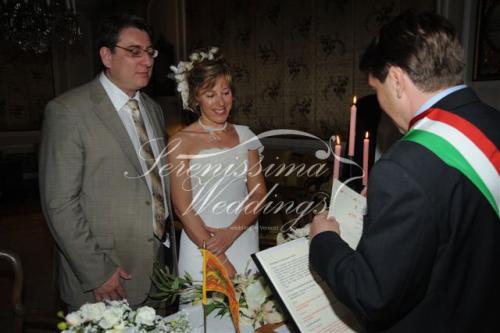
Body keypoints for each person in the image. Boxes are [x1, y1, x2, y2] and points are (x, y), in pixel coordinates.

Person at [310, 10, 499, 332]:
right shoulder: (492, 123)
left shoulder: (404, 167)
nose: (380, 103)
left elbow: (372, 296)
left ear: (396, 80)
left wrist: (324, 240)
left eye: (377, 89)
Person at [39, 13, 177, 310]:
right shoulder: (68, 111)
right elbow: (59, 203)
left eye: (150, 52)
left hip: (157, 269)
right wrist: (97, 272)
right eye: (134, 52)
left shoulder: (152, 109)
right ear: (106, 56)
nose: (148, 61)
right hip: (105, 275)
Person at [168, 47, 267, 305]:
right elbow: (183, 208)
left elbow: (258, 193)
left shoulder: (246, 135)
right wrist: (219, 257)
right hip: (201, 245)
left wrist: (231, 233)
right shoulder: (181, 142)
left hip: (242, 237)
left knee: (250, 315)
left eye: (226, 92)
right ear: (195, 99)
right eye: (210, 94)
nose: (221, 102)